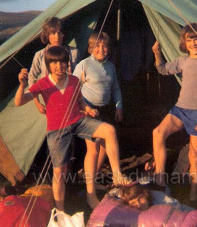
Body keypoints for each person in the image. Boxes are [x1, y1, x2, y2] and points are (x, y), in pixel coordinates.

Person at [15, 46, 129, 211]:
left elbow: (80, 101)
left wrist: (88, 110)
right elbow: (19, 101)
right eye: (53, 63)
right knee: (59, 171)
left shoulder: (74, 81)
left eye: (62, 63)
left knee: (109, 130)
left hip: (78, 121)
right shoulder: (43, 84)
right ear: (48, 65)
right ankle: (60, 210)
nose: (58, 66)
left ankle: (113, 178)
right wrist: (22, 85)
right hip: (57, 129)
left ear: (67, 63)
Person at [151, 23, 197, 204]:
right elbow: (163, 69)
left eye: (196, 39)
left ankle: (193, 194)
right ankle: (160, 180)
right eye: (189, 40)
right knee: (157, 133)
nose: (193, 43)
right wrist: (157, 54)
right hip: (180, 109)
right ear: (184, 42)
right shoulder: (183, 61)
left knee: (193, 152)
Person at [73, 31, 123, 173]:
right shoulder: (84, 64)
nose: (101, 49)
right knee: (93, 148)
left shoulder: (111, 66)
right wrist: (83, 109)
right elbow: (73, 88)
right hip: (89, 110)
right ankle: (90, 182)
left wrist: (119, 107)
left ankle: (91, 176)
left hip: (105, 109)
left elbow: (116, 88)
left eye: (104, 46)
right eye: (97, 45)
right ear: (90, 48)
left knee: (105, 146)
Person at [28, 17, 79, 114]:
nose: (56, 37)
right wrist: (37, 103)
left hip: (71, 99)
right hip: (49, 100)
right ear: (47, 35)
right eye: (53, 33)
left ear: (63, 34)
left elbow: (76, 77)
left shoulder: (73, 53)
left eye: (59, 33)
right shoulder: (40, 55)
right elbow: (31, 78)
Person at [109, 182, 193, 212]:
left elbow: (176, 207)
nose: (138, 204)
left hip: (158, 187)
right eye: (133, 203)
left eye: (140, 198)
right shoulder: (125, 198)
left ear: (145, 194)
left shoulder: (160, 197)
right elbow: (111, 194)